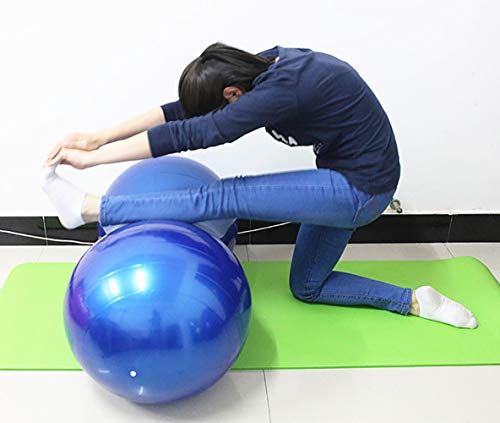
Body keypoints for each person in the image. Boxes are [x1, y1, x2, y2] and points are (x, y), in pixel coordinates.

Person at [41, 43, 477, 329]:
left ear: (232, 94)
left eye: (221, 108)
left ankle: (90, 207)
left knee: (223, 196)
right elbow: (180, 112)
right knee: (308, 287)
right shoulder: (263, 67)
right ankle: (418, 301)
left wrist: (94, 160)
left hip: (359, 190)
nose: (219, 115)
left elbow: (191, 134)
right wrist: (99, 136)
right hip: (347, 177)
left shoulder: (280, 89)